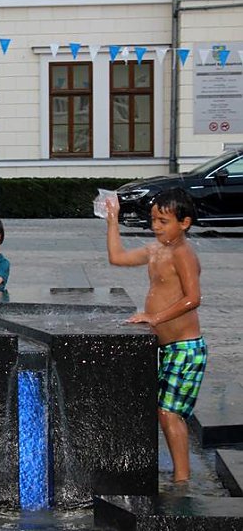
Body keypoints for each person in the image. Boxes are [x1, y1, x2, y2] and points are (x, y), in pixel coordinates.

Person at [106, 188, 204, 483]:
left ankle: (181, 481)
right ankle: (180, 476)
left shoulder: (183, 253)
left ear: (184, 223)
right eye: (153, 220)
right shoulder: (157, 250)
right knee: (166, 413)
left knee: (169, 413)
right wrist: (113, 219)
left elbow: (193, 298)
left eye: (163, 221)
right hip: (169, 348)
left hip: (186, 348)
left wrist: (154, 318)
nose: (156, 227)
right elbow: (117, 258)